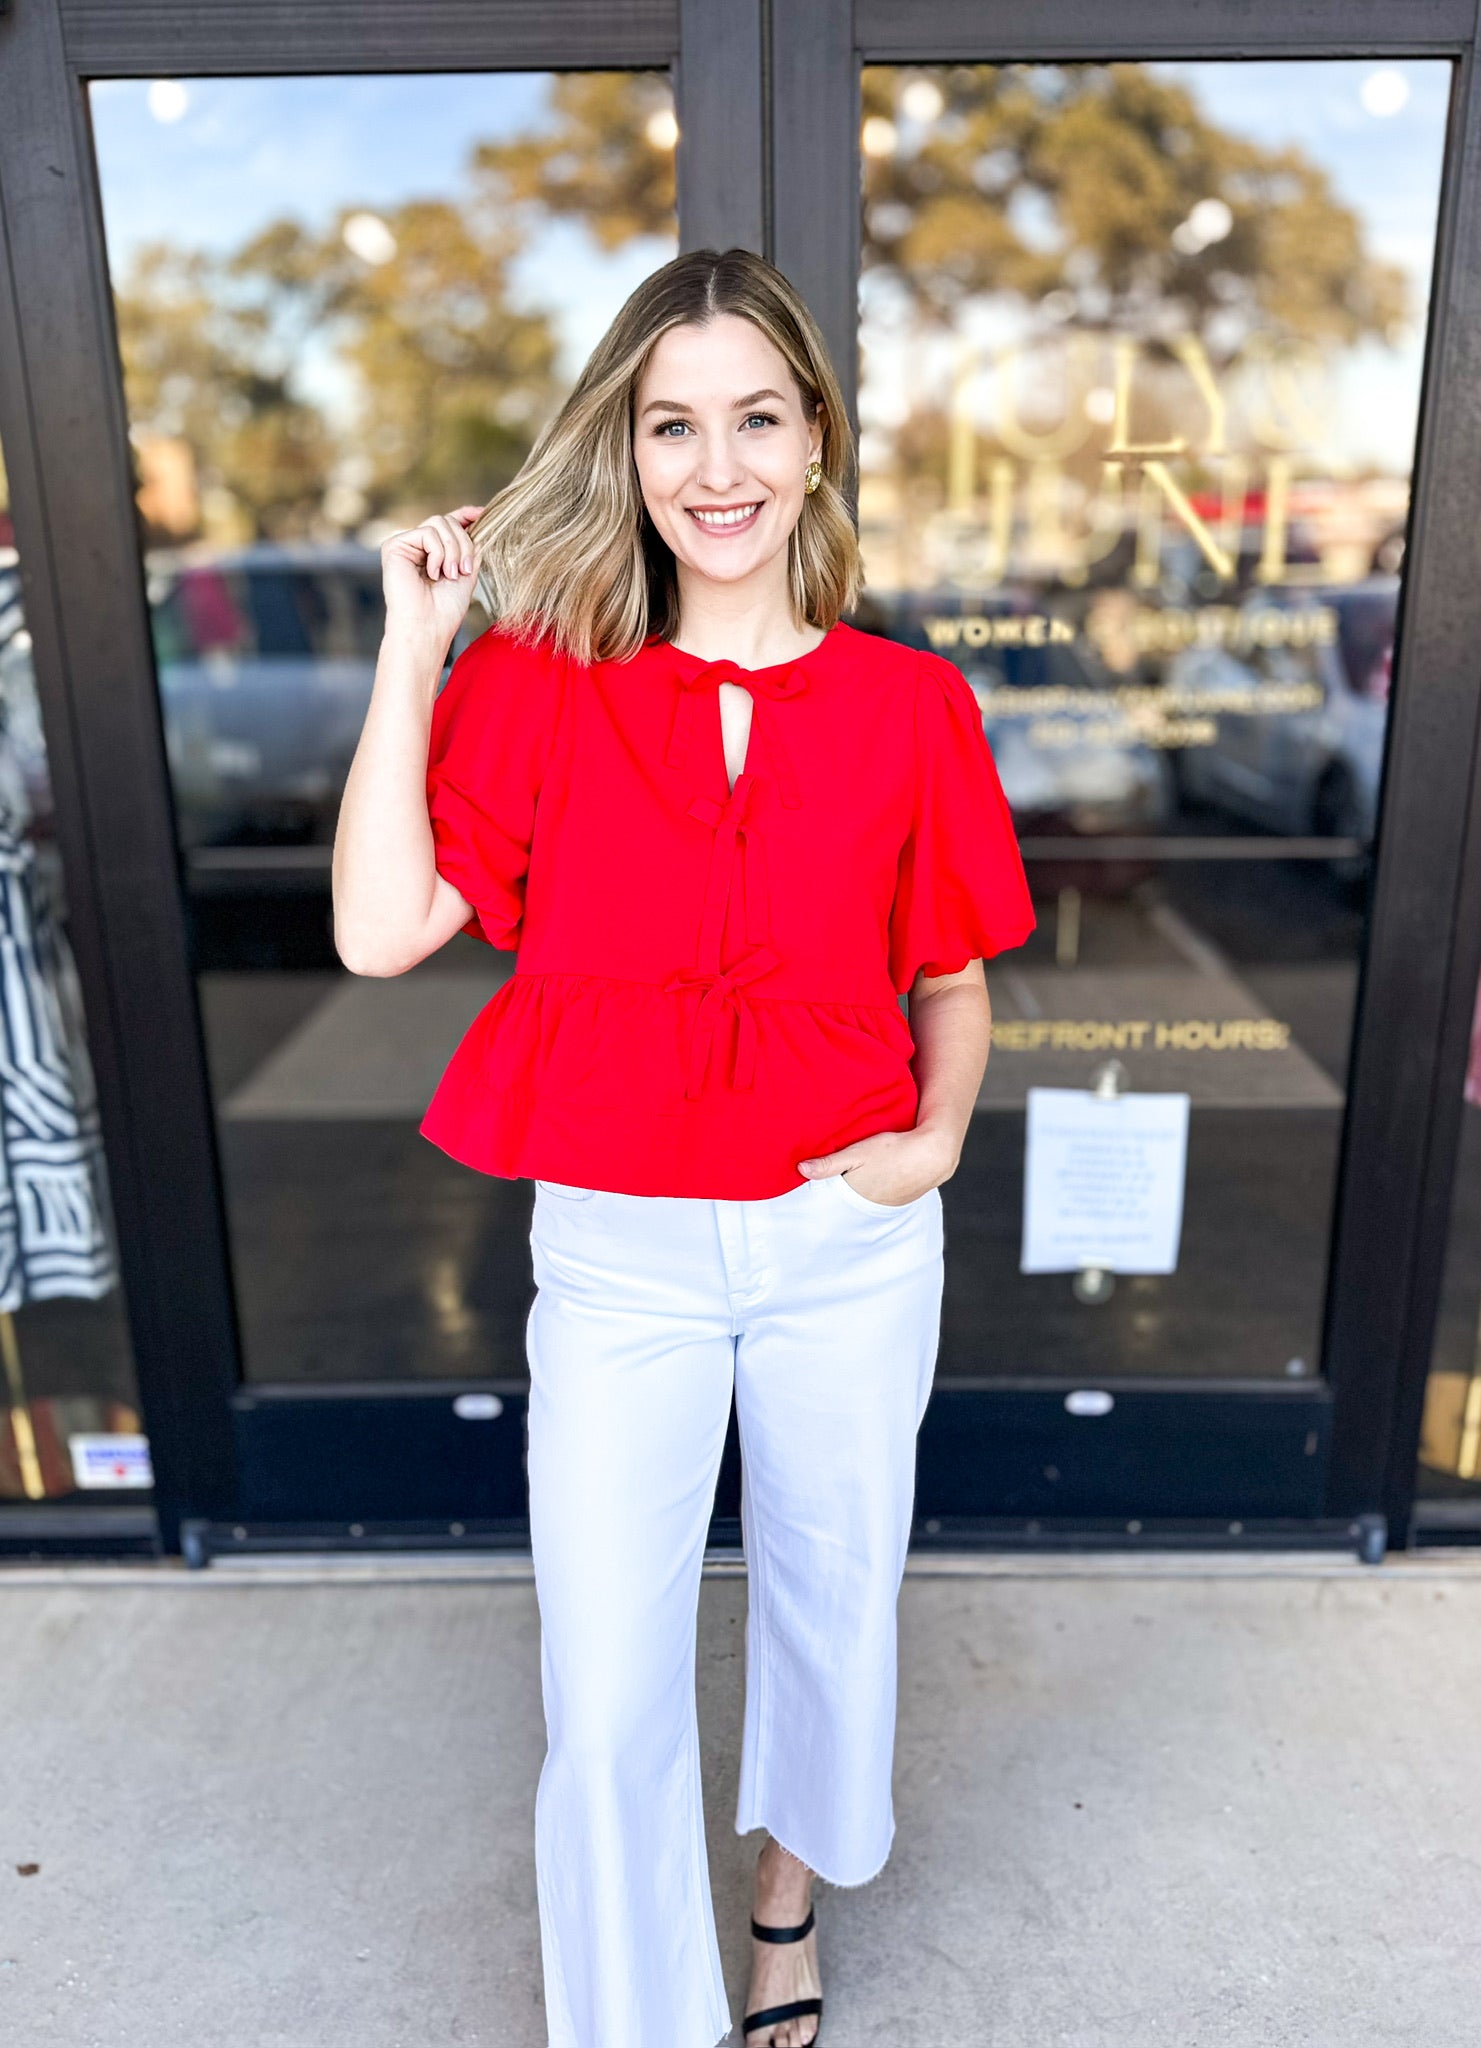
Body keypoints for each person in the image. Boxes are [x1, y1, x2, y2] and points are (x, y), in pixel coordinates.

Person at [332, 247, 1035, 2048]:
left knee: (830, 1606)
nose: (714, 467)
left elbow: (950, 979)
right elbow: (380, 926)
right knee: (611, 1679)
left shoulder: (910, 708)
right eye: (671, 425)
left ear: (815, 441)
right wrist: (417, 647)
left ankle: (784, 1924)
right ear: (626, 451)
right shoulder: (544, 681)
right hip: (625, 1248)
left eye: (754, 418)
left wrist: (930, 1149)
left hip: (845, 1236)